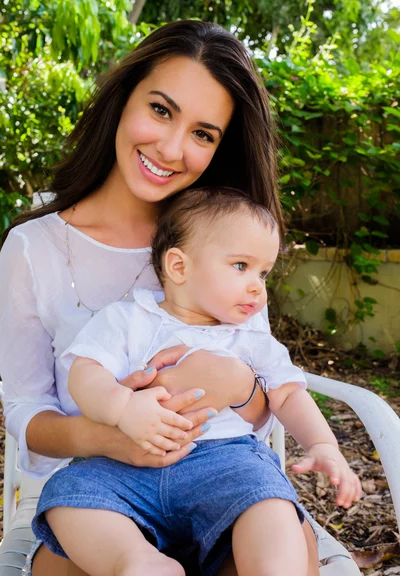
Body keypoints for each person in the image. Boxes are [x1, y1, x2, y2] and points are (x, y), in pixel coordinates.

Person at [0, 20, 356, 576]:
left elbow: (267, 390)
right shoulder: (32, 249)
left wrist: (234, 384)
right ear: (124, 98)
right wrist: (113, 432)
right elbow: (26, 409)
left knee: (272, 543)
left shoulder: (226, 240)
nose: (171, 148)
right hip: (108, 484)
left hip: (223, 478)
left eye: (204, 134)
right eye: (162, 110)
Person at [31, 187, 362, 576]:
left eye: (264, 272)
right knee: (71, 496)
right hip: (123, 465)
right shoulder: (127, 318)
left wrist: (323, 445)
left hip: (227, 463)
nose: (257, 285)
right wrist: (122, 408)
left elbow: (288, 395)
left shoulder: (251, 340)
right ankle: (136, 562)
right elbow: (86, 374)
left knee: (267, 501)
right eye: (241, 266)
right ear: (179, 266)